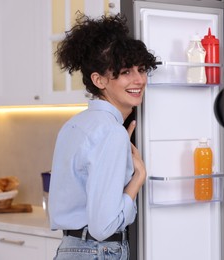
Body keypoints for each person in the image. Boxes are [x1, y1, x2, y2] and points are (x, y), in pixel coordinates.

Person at [48, 13, 157, 260]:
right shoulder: (111, 131)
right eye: (125, 72)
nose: (138, 79)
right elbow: (103, 227)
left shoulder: (74, 125)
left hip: (70, 248)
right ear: (98, 80)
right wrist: (137, 179)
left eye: (141, 69)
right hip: (99, 251)